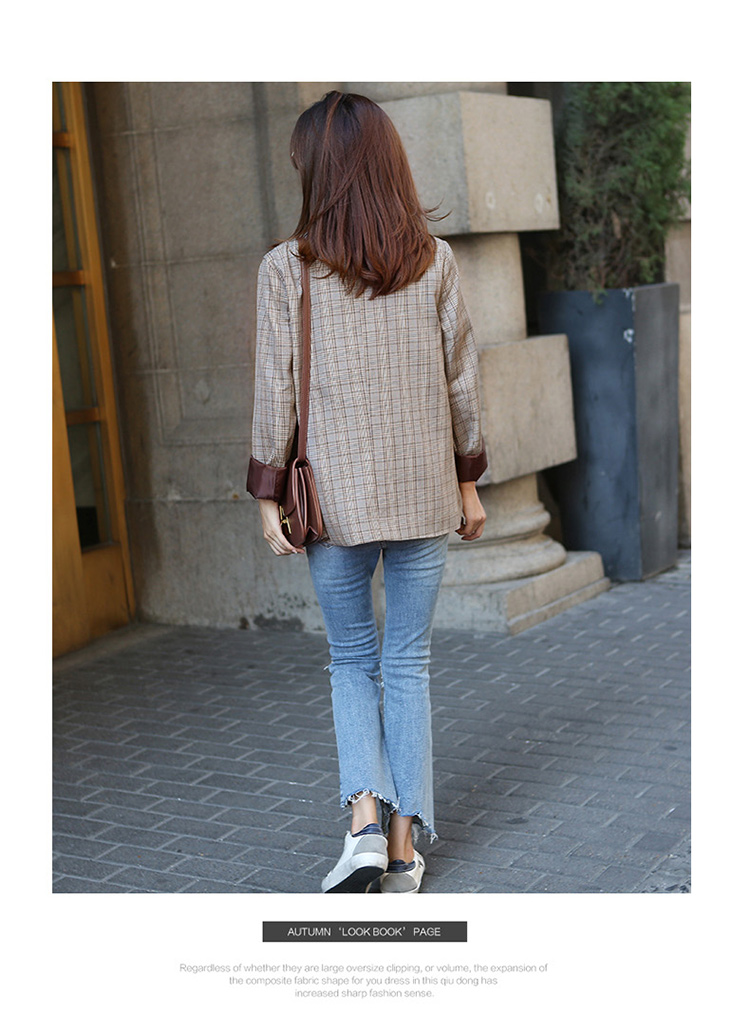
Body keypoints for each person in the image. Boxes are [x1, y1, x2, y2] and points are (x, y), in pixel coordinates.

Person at [247, 91, 487, 893]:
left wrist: (266, 488)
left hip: (335, 499)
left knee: (352, 661)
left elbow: (275, 387)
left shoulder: (286, 269)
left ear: (319, 171)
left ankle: (363, 827)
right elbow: (462, 382)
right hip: (424, 493)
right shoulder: (432, 261)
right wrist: (469, 482)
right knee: (408, 663)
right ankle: (406, 847)